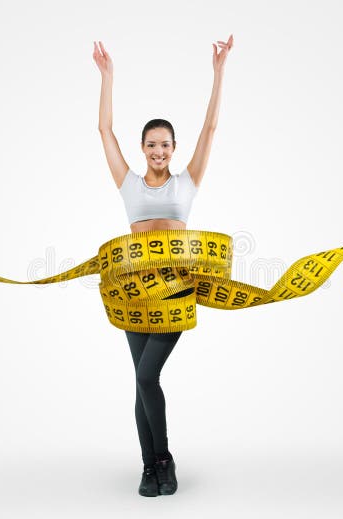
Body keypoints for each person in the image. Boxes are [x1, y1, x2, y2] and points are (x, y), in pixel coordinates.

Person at [92, 34, 234, 497]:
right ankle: (148, 467)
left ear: (173, 149)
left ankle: (165, 460)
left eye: (165, 145)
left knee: (147, 375)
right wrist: (108, 77)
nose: (158, 151)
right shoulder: (129, 186)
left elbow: (210, 131)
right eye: (152, 144)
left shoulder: (186, 185)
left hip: (172, 293)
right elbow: (104, 132)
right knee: (140, 380)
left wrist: (218, 73)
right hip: (134, 296)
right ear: (142, 147)